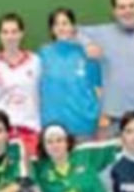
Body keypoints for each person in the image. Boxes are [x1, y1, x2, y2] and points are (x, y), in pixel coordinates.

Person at [79, 0, 134, 136]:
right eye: (122, 7)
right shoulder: (103, 33)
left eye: (132, 6)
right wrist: (87, 44)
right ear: (114, 11)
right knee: (113, 160)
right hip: (113, 121)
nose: (127, 11)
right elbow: (75, 31)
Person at [0, 13, 42, 157]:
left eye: (14, 32)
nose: (10, 37)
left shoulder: (36, 62)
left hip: (30, 131)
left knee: (28, 178)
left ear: (21, 34)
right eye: (5, 32)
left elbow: (42, 97)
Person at [38, 8, 102, 140]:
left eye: (65, 23)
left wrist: (99, 116)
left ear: (73, 27)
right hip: (53, 128)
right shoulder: (43, 54)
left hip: (83, 126)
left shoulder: (88, 53)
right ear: (51, 29)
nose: (61, 27)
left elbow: (98, 88)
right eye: (56, 24)